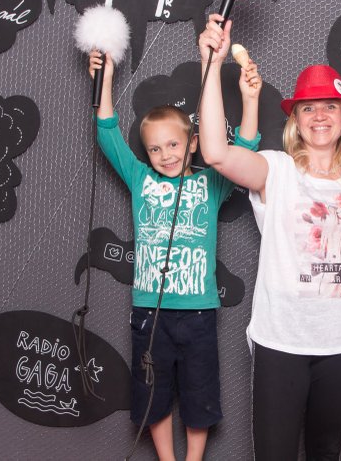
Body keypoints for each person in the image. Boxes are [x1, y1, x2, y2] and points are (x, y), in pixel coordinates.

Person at [197, 13, 341, 461]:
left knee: (325, 453)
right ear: (296, 118)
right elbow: (215, 153)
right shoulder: (275, 169)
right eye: (308, 108)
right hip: (282, 342)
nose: (320, 115)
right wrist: (212, 66)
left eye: (330, 106)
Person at [87, 49, 262, 461]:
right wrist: (105, 79)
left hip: (199, 312)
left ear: (193, 143)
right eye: (155, 149)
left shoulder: (211, 183)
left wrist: (251, 99)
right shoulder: (139, 178)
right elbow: (107, 132)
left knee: (200, 394)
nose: (165, 155)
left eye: (173, 145)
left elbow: (246, 147)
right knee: (153, 392)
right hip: (150, 312)